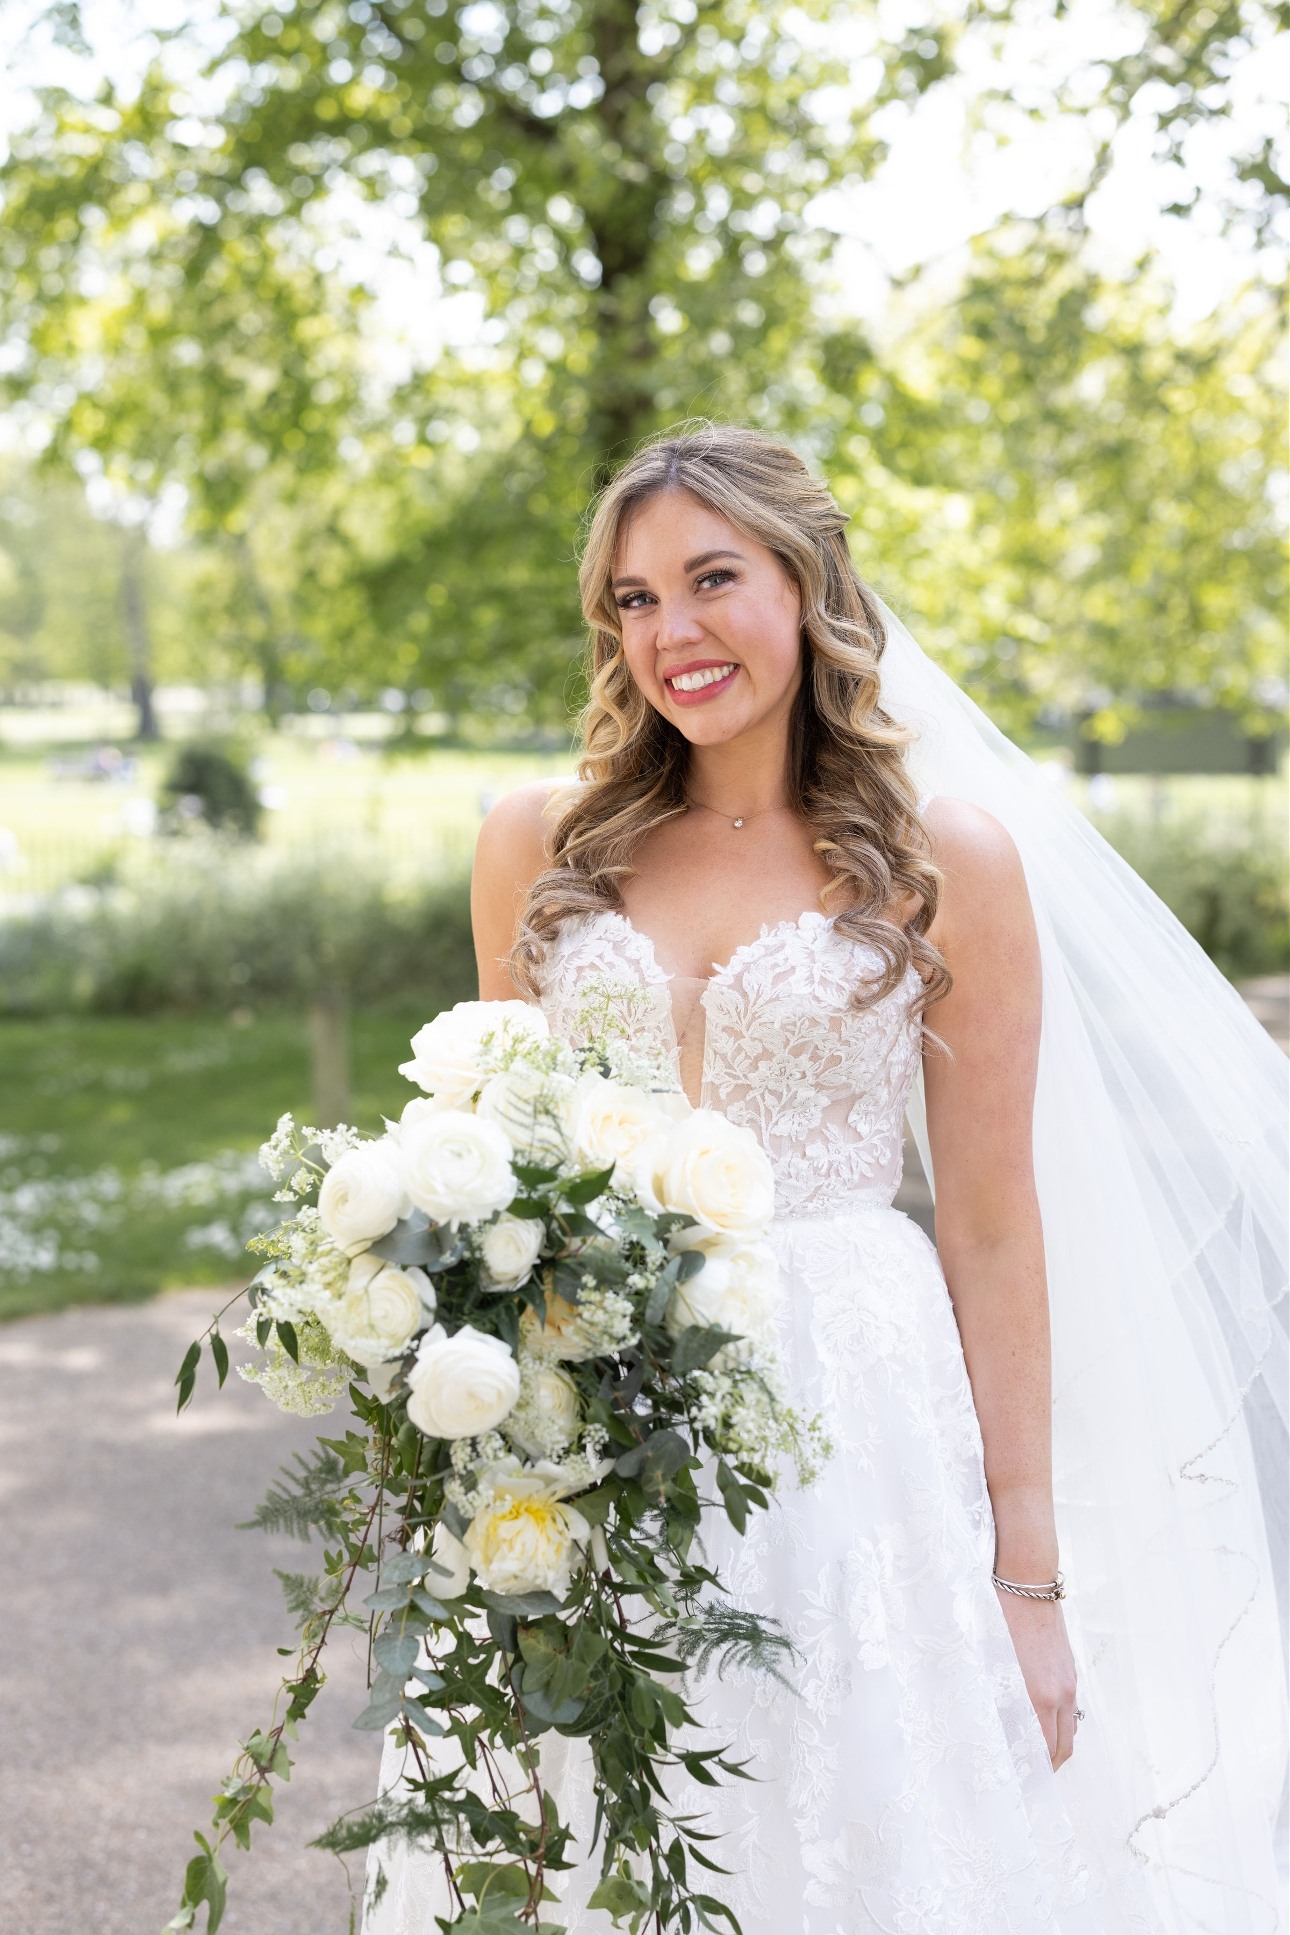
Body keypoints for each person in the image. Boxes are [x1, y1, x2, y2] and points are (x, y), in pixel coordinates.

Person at [366, 426, 1286, 1934]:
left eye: (711, 579)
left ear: (807, 583)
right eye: (633, 601)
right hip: (595, 1406)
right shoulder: (536, 844)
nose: (672, 633)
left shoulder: (943, 862)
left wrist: (1029, 1582)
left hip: (857, 1417)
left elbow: (991, 1226)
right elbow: (501, 1165)